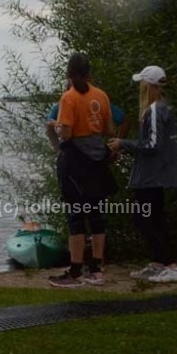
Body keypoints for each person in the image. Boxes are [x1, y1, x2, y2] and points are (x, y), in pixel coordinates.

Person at [108, 65, 177, 283]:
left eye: (142, 83)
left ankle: (171, 264)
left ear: (149, 85)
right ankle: (159, 262)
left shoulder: (153, 110)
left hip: (151, 176)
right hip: (158, 174)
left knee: (144, 219)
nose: (140, 87)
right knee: (155, 218)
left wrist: (122, 143)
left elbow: (152, 144)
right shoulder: (164, 107)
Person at [48, 54, 117, 288]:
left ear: (68, 73)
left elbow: (66, 134)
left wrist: (55, 126)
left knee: (76, 216)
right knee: (97, 216)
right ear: (90, 74)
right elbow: (109, 129)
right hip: (97, 161)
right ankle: (97, 270)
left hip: (75, 163)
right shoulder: (101, 95)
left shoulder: (69, 97)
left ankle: (75, 272)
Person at [47, 83, 131, 153]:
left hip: (96, 152)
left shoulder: (97, 101)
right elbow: (49, 126)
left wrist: (116, 147)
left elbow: (125, 120)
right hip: (80, 154)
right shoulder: (62, 105)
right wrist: (59, 151)